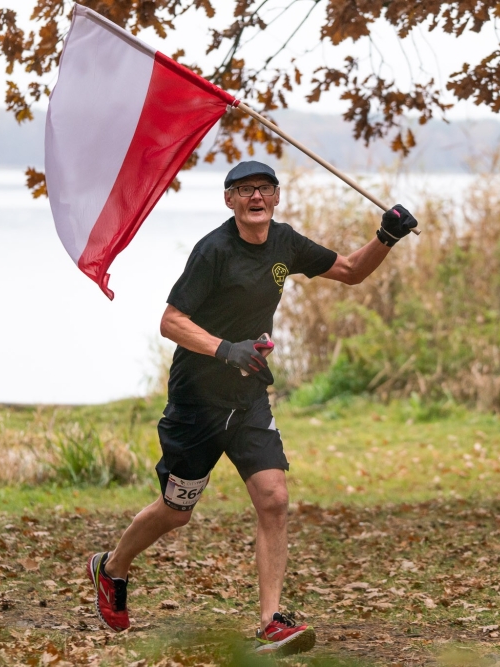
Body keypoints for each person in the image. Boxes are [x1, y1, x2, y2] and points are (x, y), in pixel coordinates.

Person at [87, 160, 418, 655]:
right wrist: (226, 348)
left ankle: (271, 621)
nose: (255, 197)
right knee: (177, 512)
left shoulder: (286, 243)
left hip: (247, 397)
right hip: (197, 401)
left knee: (274, 498)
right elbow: (171, 321)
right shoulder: (213, 251)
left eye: (263, 188)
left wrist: (386, 238)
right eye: (244, 190)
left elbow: (349, 271)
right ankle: (111, 567)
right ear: (230, 201)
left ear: (277, 196)